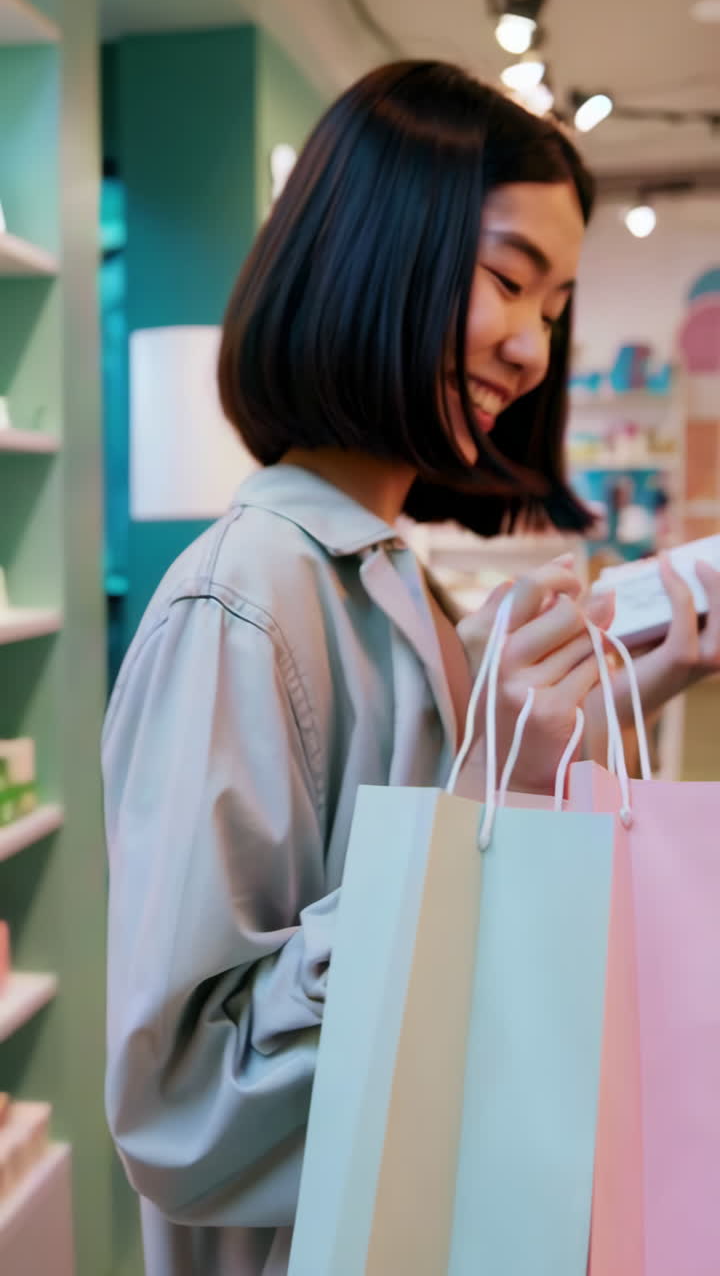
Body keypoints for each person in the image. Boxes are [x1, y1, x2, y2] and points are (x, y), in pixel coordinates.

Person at [103, 61, 720, 1276]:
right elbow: (184, 1108)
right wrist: (480, 808)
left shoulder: (395, 584)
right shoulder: (248, 600)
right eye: (505, 279)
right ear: (371, 250)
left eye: (554, 305)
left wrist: (588, 723)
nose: (530, 346)